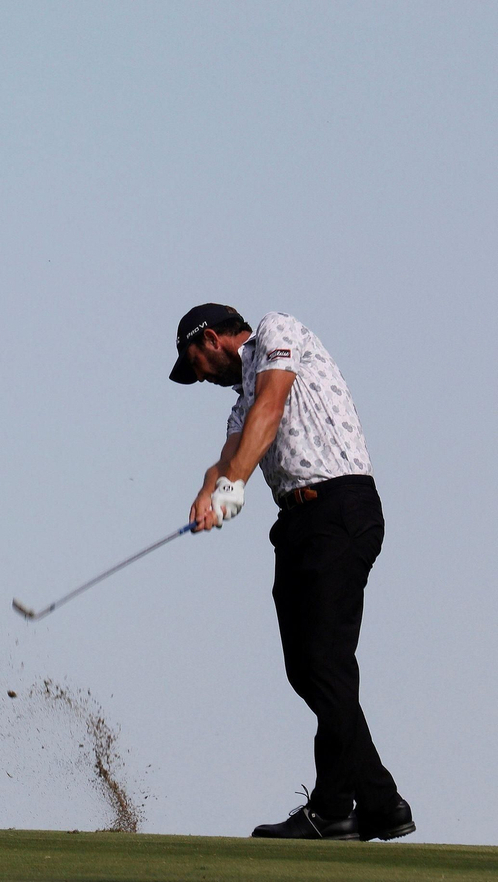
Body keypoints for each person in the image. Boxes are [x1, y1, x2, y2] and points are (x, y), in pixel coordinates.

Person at [171, 303, 412, 841]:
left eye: (197, 363)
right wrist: (211, 490)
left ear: (212, 339)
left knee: (325, 662)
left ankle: (343, 806)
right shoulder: (241, 401)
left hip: (340, 507)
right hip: (300, 525)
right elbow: (232, 451)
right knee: (309, 668)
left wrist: (233, 487)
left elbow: (273, 408)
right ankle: (368, 803)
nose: (202, 378)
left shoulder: (277, 332)